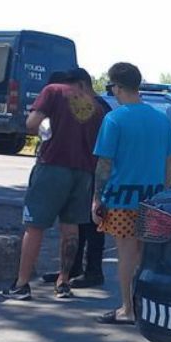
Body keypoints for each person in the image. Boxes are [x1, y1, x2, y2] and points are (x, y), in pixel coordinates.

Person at [2, 72, 105, 300]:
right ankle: (64, 282)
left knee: (35, 225)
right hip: (84, 172)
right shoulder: (96, 107)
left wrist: (45, 129)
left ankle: (21, 284)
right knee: (71, 227)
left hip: (52, 166)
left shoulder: (53, 91)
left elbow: (32, 124)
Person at [93, 62, 171, 324]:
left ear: (117, 87)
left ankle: (127, 308)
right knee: (145, 256)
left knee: (127, 255)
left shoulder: (114, 119)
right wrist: (164, 194)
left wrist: (97, 197)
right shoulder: (161, 120)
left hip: (121, 200)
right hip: (153, 199)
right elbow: (170, 161)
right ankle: (144, 306)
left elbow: (105, 163)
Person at [42, 68, 114, 288]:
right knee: (75, 222)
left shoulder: (99, 106)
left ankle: (93, 271)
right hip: (79, 169)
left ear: (81, 84)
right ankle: (72, 268)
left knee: (93, 223)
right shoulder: (85, 103)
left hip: (94, 170)